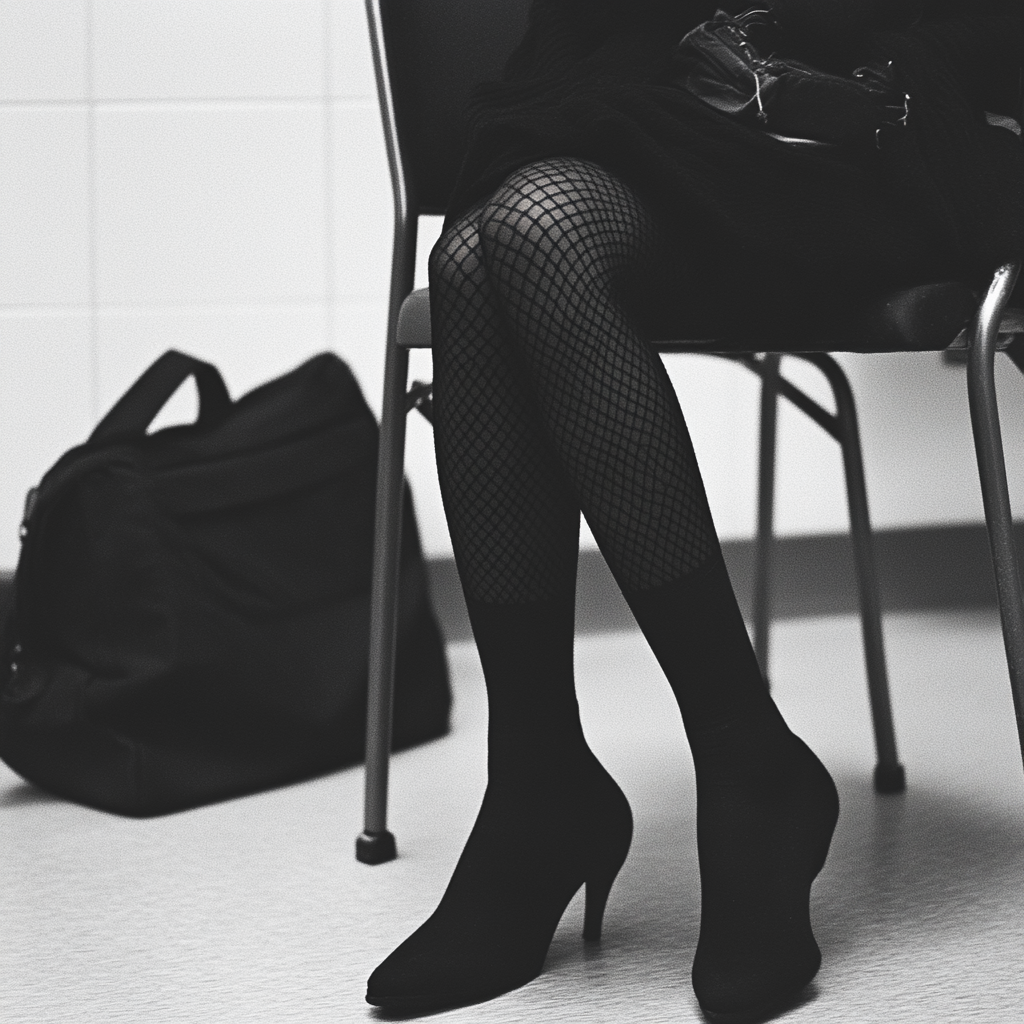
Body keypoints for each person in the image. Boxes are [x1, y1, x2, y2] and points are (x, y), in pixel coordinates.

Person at [366, 1, 1024, 1019]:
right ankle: (557, 771)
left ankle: (681, 770)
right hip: (663, 126)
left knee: (524, 234)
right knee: (487, 246)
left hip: (854, 149)